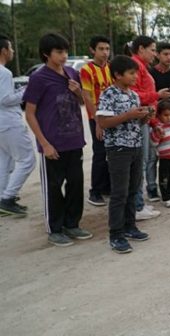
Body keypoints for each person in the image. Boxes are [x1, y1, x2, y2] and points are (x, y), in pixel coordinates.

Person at [24, 33, 91, 246]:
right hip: (52, 143)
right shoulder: (38, 78)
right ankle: (55, 228)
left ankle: (72, 224)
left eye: (65, 51)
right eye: (59, 52)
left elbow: (82, 102)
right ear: (47, 54)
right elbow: (30, 114)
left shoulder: (72, 73)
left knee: (76, 184)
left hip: (74, 140)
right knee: (53, 187)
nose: (64, 56)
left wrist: (78, 91)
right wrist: (44, 143)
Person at [96, 55, 152, 253]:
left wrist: (145, 117)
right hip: (118, 149)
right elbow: (103, 122)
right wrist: (128, 115)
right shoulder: (108, 94)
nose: (135, 76)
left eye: (136, 73)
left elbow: (136, 123)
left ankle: (130, 226)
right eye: (131, 73)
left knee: (133, 188)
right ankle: (116, 234)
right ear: (118, 75)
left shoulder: (133, 95)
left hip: (136, 146)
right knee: (119, 192)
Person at [129, 36, 170, 220]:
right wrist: (156, 94)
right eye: (152, 50)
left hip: (145, 119)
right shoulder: (134, 67)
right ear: (140, 49)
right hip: (138, 120)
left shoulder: (142, 67)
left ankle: (138, 203)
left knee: (142, 162)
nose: (154, 53)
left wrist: (154, 123)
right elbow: (134, 94)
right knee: (140, 163)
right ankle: (136, 206)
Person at [0, 34, 35, 216]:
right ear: (4, 51)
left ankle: (3, 197)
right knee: (27, 160)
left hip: (2, 124)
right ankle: (8, 198)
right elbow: (5, 99)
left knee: (5, 162)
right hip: (8, 122)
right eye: (11, 48)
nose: (12, 51)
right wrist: (25, 92)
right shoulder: (4, 73)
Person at [80, 35, 113, 207]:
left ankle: (107, 186)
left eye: (107, 49)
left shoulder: (110, 68)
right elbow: (87, 97)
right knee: (100, 152)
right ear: (93, 50)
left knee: (112, 151)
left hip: (112, 117)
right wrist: (98, 122)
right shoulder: (87, 70)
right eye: (101, 49)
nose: (105, 52)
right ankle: (95, 191)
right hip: (97, 118)